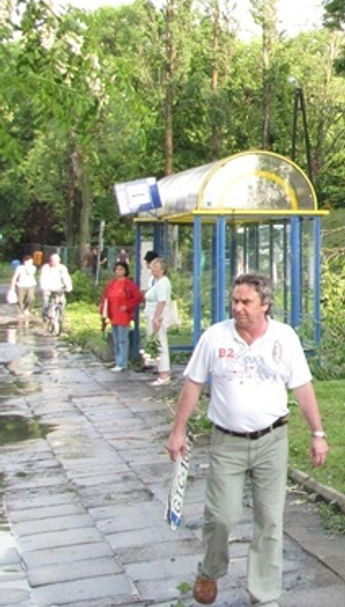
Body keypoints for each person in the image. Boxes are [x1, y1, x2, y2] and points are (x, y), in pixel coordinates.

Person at [164, 272, 328, 606]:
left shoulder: (284, 338)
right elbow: (194, 383)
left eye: (246, 302)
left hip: (272, 441)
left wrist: (317, 433)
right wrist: (178, 431)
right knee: (221, 517)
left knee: (269, 520)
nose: (238, 308)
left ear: (265, 304)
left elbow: (303, 387)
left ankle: (264, 596)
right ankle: (210, 571)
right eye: (235, 301)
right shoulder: (215, 337)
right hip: (227, 443)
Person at [98, 261, 143, 371]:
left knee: (123, 339)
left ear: (125, 271)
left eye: (121, 269)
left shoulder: (128, 284)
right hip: (113, 314)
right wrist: (103, 311)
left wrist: (127, 306)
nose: (118, 271)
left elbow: (138, 297)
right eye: (117, 269)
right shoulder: (112, 283)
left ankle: (122, 362)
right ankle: (118, 360)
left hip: (123, 315)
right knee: (116, 339)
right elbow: (105, 297)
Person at [144, 256, 173, 385]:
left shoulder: (162, 282)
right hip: (152, 314)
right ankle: (161, 371)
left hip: (157, 316)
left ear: (162, 270)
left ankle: (164, 374)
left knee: (160, 343)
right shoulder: (155, 281)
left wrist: (156, 318)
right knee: (157, 342)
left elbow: (162, 301)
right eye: (152, 266)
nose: (153, 269)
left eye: (156, 267)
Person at [38, 252, 73, 330]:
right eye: (53, 260)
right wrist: (43, 286)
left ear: (59, 261)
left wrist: (69, 286)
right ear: (50, 261)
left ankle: (60, 315)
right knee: (45, 299)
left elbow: (66, 277)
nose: (54, 262)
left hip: (58, 287)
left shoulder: (62, 268)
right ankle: (45, 314)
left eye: (56, 261)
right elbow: (42, 278)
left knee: (63, 301)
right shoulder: (46, 267)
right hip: (48, 287)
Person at [9, 255, 38, 326]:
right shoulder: (19, 268)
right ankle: (20, 312)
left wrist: (27, 267)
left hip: (30, 285)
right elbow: (15, 276)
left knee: (31, 297)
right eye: (29, 261)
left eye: (31, 262)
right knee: (20, 299)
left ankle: (26, 308)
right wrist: (12, 286)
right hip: (20, 285)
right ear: (25, 261)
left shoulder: (33, 267)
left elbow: (30, 273)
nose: (31, 263)